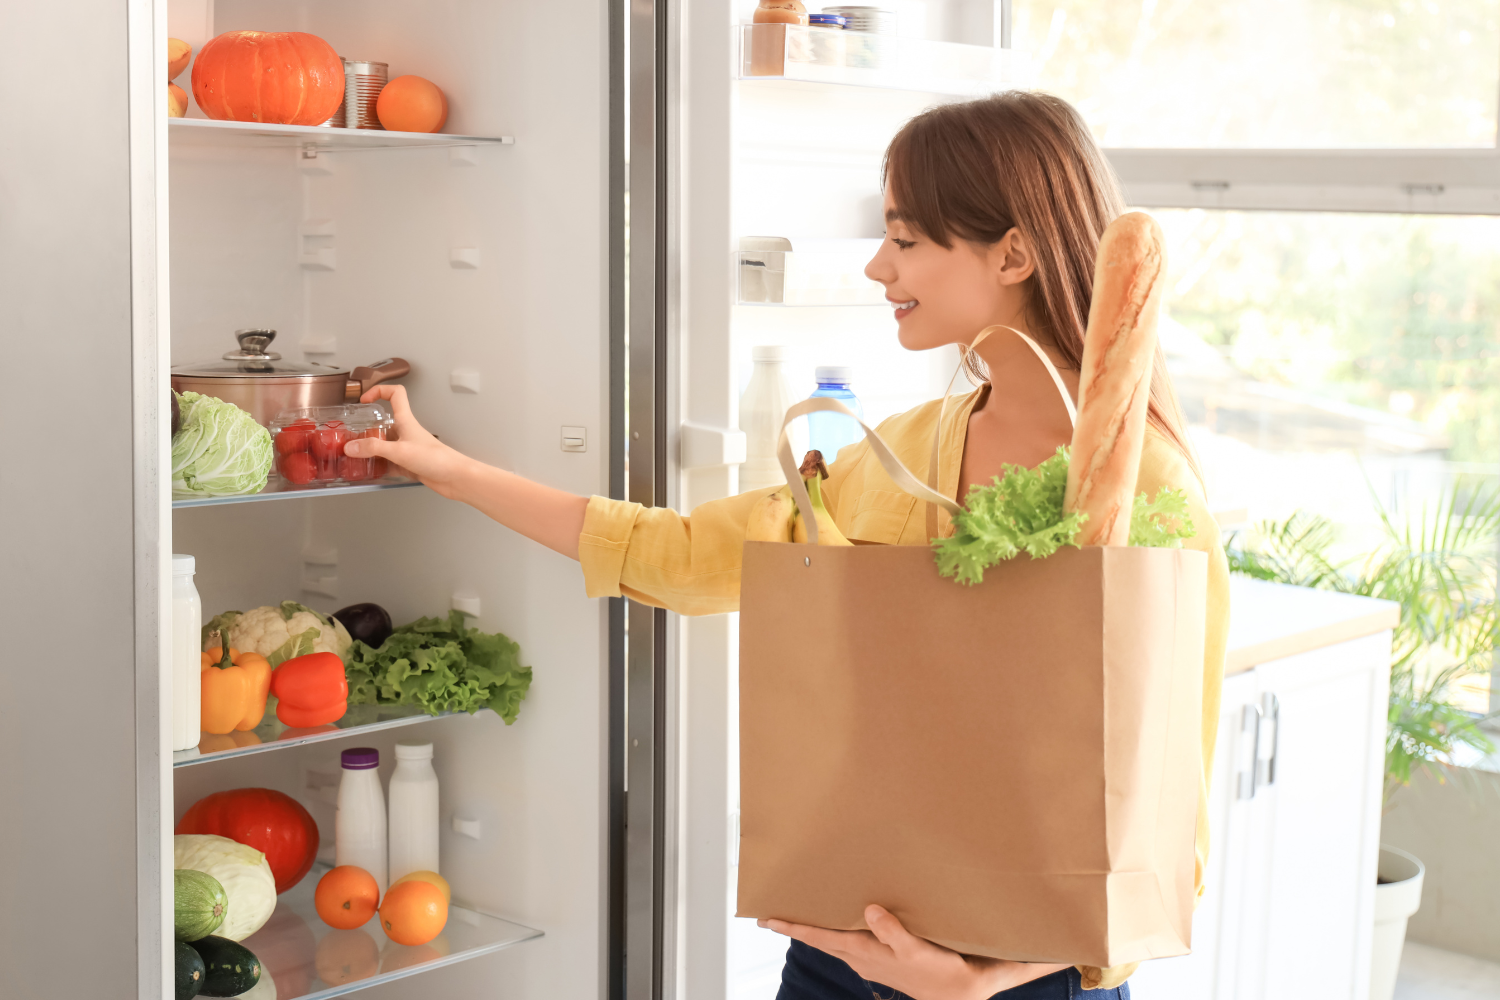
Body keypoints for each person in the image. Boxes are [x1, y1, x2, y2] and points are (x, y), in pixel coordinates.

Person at [344, 91, 1231, 1000]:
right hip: (840, 949)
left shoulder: (1150, 486)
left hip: (1031, 980)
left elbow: (1166, 815)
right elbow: (680, 555)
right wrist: (443, 467)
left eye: (909, 238)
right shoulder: (905, 450)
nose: (881, 267)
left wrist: (980, 981)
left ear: (1012, 251)